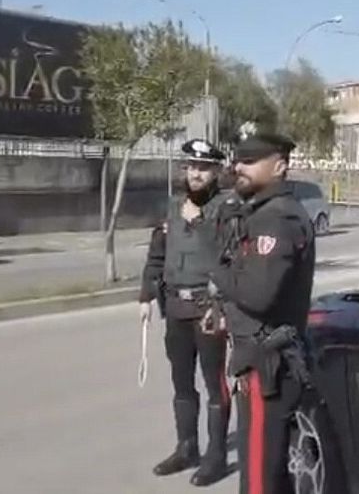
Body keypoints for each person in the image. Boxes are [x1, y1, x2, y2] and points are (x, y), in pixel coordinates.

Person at [209, 133, 317, 494]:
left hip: (266, 364)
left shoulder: (276, 218)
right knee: (270, 472)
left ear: (280, 166)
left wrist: (215, 269)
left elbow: (257, 296)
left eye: (250, 161)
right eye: (238, 160)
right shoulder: (259, 212)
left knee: (258, 479)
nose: (239, 167)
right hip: (260, 358)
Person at [138, 138, 238, 486]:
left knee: (214, 384)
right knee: (181, 383)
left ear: (216, 172)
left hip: (208, 308)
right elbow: (157, 253)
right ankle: (187, 447)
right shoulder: (173, 206)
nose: (195, 174)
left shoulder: (227, 208)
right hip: (176, 308)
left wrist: (200, 223)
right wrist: (145, 295)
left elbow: (230, 257)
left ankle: (216, 457)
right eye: (191, 167)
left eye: (203, 168)